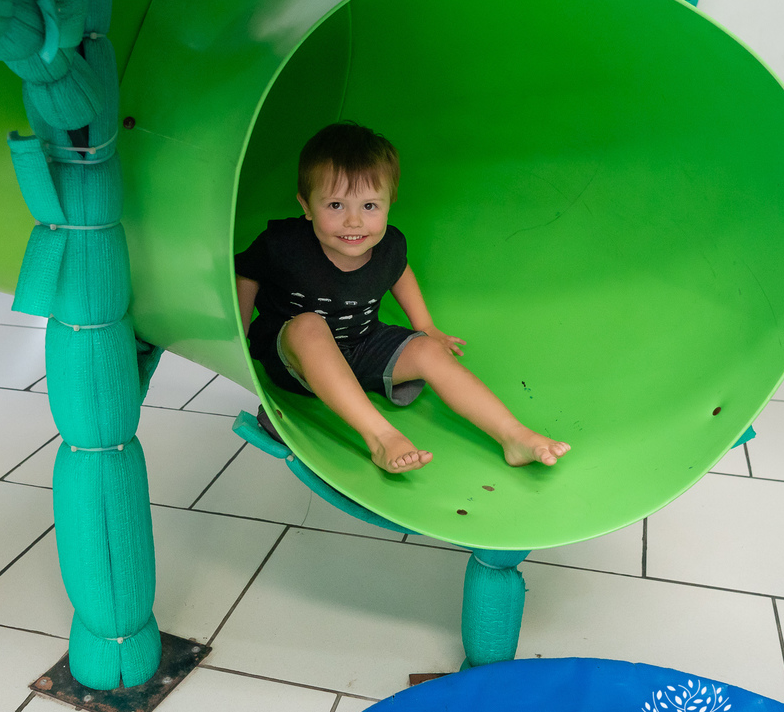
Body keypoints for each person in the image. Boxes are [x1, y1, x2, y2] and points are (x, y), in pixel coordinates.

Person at [234, 122, 570, 474]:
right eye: (335, 205)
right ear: (306, 205)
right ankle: (381, 437)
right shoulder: (284, 244)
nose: (353, 221)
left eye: (369, 206)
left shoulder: (389, 245)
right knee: (308, 326)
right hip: (296, 360)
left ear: (389, 203)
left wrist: (426, 327)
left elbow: (400, 272)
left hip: (360, 346)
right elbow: (247, 273)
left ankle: (512, 435)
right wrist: (239, 337)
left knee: (429, 350)